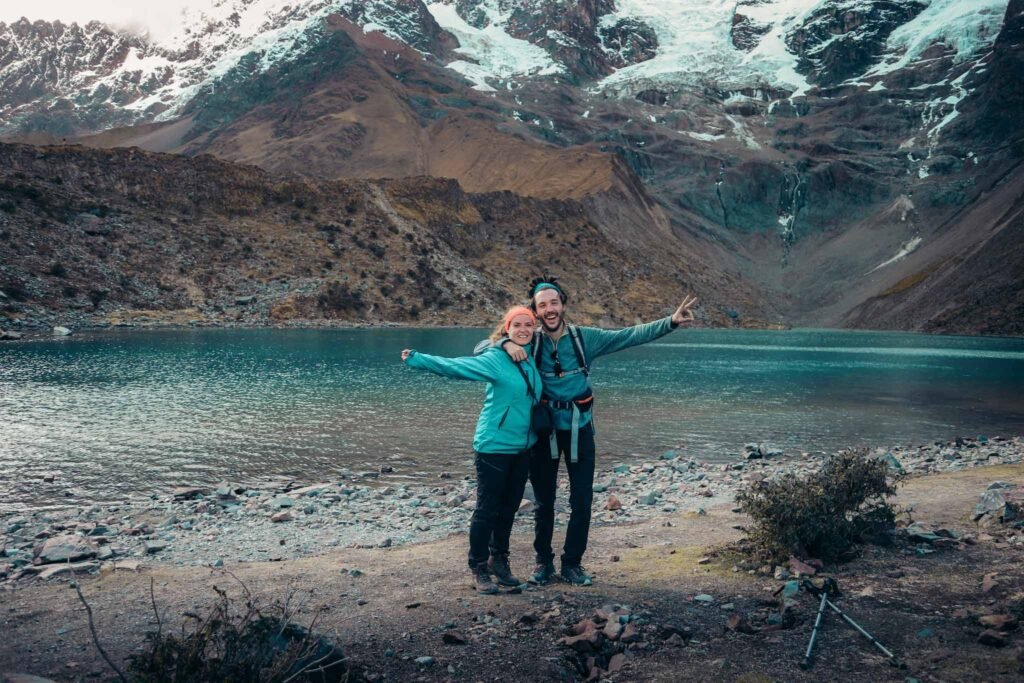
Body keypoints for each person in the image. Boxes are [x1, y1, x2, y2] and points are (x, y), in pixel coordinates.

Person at [500, 277, 698, 586]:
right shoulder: (529, 340)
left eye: (554, 303)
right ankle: (543, 563)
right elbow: (484, 351)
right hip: (544, 432)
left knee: (581, 501)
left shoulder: (585, 339)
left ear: (563, 305)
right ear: (535, 311)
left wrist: (670, 322)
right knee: (544, 501)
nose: (549, 309)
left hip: (579, 429)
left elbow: (628, 335)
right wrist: (506, 343)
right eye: (543, 305)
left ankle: (572, 564)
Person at [402, 306, 542, 594]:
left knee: (509, 509)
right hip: (493, 446)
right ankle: (478, 567)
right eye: (517, 325)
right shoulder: (495, 359)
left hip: (523, 447)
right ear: (507, 328)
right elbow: (457, 367)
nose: (523, 329)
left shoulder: (533, 356)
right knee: (487, 510)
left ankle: (499, 562)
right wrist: (418, 359)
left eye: (528, 325)